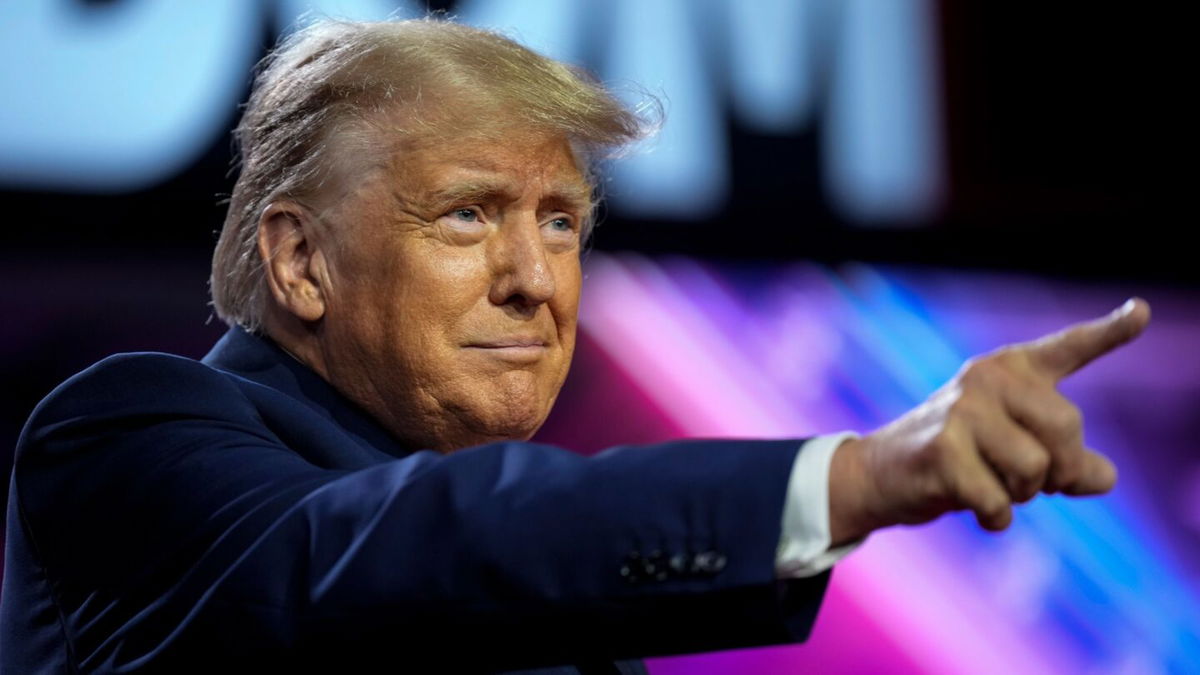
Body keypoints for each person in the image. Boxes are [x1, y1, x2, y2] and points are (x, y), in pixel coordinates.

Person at [0, 17, 1150, 674]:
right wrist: (854, 475)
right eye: (467, 214)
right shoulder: (122, 436)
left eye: (561, 224)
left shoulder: (561, 599)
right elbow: (398, 550)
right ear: (301, 263)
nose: (537, 281)